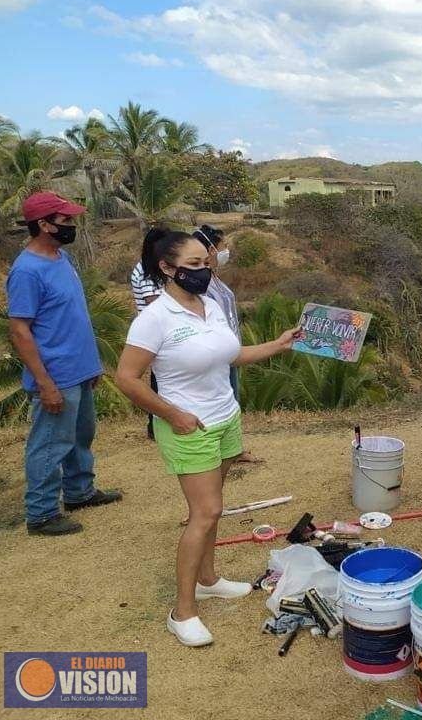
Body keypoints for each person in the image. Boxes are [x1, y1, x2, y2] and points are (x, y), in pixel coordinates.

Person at [114, 231, 301, 647]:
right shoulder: (154, 318)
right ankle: (182, 612)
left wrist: (279, 344)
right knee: (205, 512)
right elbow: (126, 379)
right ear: (167, 268)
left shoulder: (210, 304)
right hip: (189, 426)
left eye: (207, 263)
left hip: (225, 418)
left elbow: (231, 354)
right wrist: (173, 413)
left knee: (214, 512)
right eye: (195, 266)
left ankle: (208, 579)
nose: (204, 272)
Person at [6, 191, 122, 536]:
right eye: (65, 220)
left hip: (80, 371)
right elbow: (20, 331)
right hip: (55, 376)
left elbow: (72, 316)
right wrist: (44, 382)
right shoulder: (26, 271)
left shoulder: (62, 258)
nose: (72, 225)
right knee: (49, 443)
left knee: (80, 436)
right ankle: (41, 513)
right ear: (43, 224)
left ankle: (79, 492)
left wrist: (92, 365)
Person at [192, 224, 261, 466]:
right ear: (210, 249)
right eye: (223, 246)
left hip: (231, 351)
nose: (227, 250)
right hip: (220, 352)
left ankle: (233, 449)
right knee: (224, 399)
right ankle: (222, 450)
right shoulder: (202, 285)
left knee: (232, 398)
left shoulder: (215, 279)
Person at [130, 227, 167, 439]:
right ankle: (155, 425)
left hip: (161, 331)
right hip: (155, 332)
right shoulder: (145, 271)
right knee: (158, 382)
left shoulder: (155, 269)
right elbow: (154, 302)